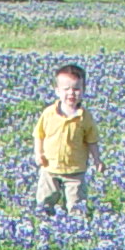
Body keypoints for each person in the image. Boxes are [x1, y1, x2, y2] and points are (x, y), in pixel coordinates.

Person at [31, 63, 102, 216]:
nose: (71, 93)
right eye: (66, 89)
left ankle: (76, 224)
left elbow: (92, 140)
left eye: (76, 89)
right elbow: (39, 134)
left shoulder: (85, 116)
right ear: (57, 91)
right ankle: (44, 219)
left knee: (77, 203)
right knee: (45, 200)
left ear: (83, 91)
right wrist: (38, 153)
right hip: (50, 167)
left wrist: (97, 160)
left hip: (75, 170)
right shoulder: (49, 113)